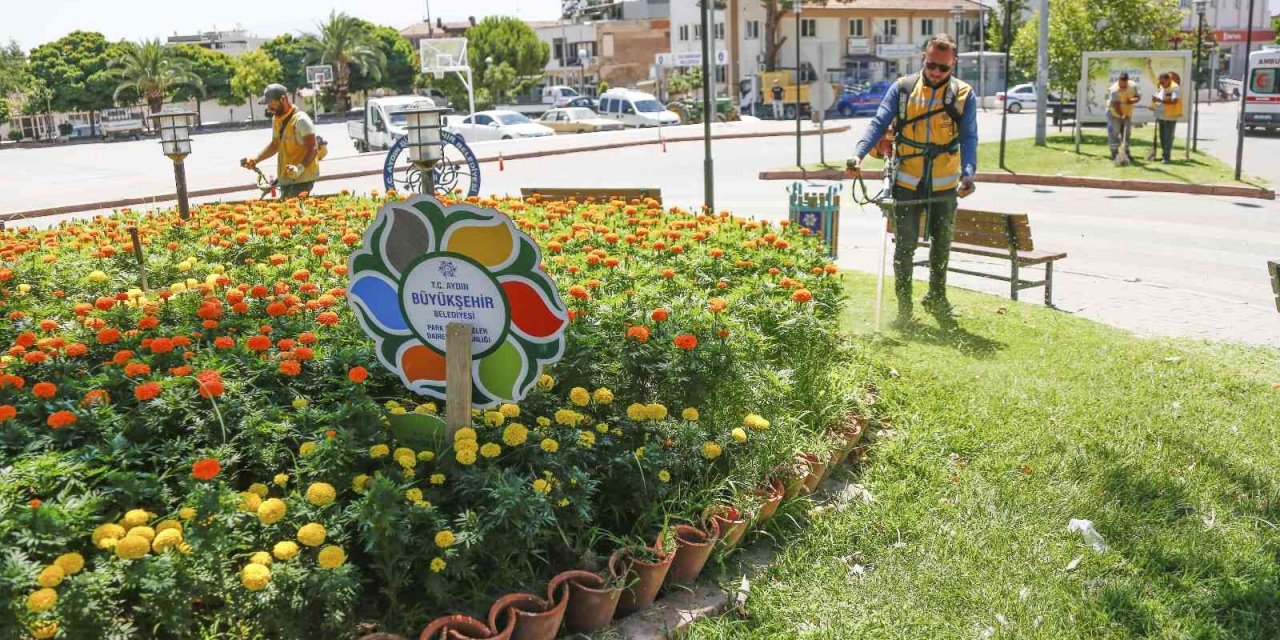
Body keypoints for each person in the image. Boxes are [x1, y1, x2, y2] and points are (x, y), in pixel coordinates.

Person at [846, 34, 978, 328]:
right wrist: (858, 155)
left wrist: (968, 174)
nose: (936, 72)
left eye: (943, 68)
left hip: (944, 185)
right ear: (924, 58)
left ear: (953, 64)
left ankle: (936, 295)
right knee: (904, 247)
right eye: (932, 65)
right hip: (907, 181)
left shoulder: (963, 94)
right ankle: (904, 308)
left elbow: (969, 138)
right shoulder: (903, 89)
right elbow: (878, 122)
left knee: (942, 245)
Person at [240, 84, 319, 198]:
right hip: (286, 178)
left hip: (302, 179)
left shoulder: (301, 120)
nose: (269, 108)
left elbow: (313, 147)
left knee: (292, 213)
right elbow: (275, 145)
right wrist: (255, 160)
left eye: (271, 103)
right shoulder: (277, 119)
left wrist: (299, 168)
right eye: (267, 104)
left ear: (283, 99)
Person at [1107, 72, 1141, 161]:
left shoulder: (1132, 85)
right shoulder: (1114, 89)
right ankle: (1114, 153)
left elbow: (1138, 97)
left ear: (1127, 81)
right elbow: (1116, 105)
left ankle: (1126, 153)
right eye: (1121, 83)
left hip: (1127, 114)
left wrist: (1133, 100)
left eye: (1125, 84)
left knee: (1127, 133)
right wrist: (1122, 115)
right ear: (1118, 80)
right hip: (1114, 113)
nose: (1123, 86)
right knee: (1114, 132)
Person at [1152, 73, 1182, 164]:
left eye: (1162, 81)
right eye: (1160, 81)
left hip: (1170, 116)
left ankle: (1166, 157)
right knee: (1162, 137)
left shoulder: (1175, 87)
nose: (1161, 83)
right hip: (1161, 115)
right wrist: (1155, 103)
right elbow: (1159, 98)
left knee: (1168, 137)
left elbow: (1174, 101)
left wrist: (1160, 100)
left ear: (1168, 79)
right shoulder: (1162, 87)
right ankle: (1164, 155)